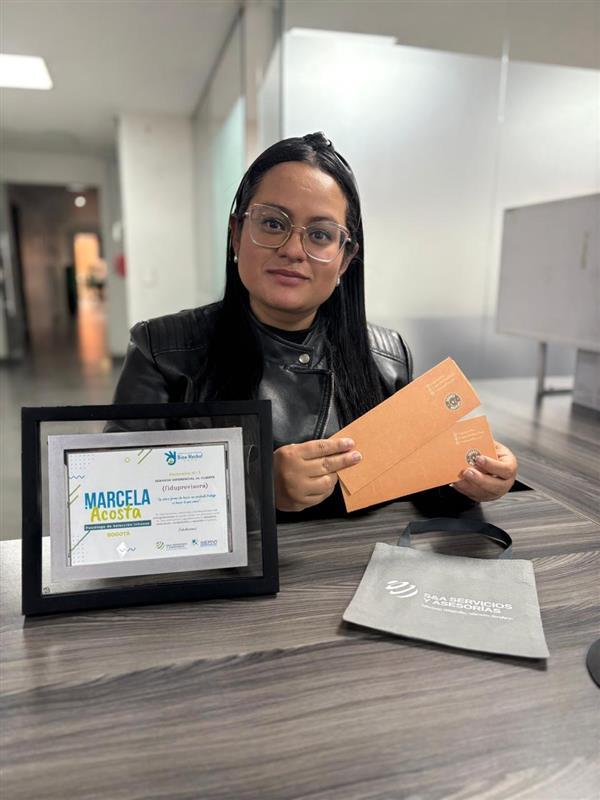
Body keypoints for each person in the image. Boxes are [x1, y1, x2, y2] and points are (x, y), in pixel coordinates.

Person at [108, 132, 517, 516]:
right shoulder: (161, 350)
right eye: (273, 223)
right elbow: (115, 496)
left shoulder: (388, 357)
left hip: (362, 565)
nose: (292, 249)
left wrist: (470, 477)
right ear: (236, 234)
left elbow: (417, 486)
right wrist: (255, 486)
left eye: (320, 235)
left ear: (345, 258)